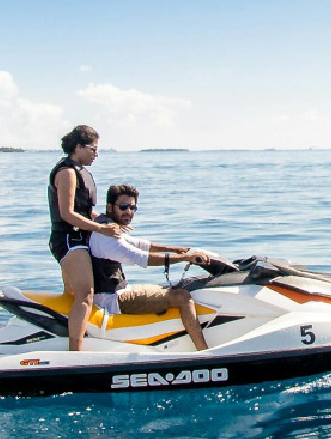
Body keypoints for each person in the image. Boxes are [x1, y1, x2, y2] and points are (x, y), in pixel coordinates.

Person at [89, 184, 211, 351]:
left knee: (174, 287)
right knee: (183, 296)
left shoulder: (107, 226)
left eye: (133, 207)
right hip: (111, 300)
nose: (129, 212)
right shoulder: (106, 237)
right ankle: (203, 352)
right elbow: (141, 257)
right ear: (110, 207)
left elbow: (139, 244)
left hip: (117, 292)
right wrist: (185, 258)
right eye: (123, 207)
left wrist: (174, 249)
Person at [48, 125, 122, 351]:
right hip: (69, 240)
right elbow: (67, 214)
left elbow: (85, 212)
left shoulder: (80, 172)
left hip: (78, 238)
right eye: (93, 149)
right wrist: (101, 230)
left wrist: (111, 222)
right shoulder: (67, 172)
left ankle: (66, 335)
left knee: (73, 294)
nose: (96, 154)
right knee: (84, 295)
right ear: (78, 147)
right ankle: (75, 352)